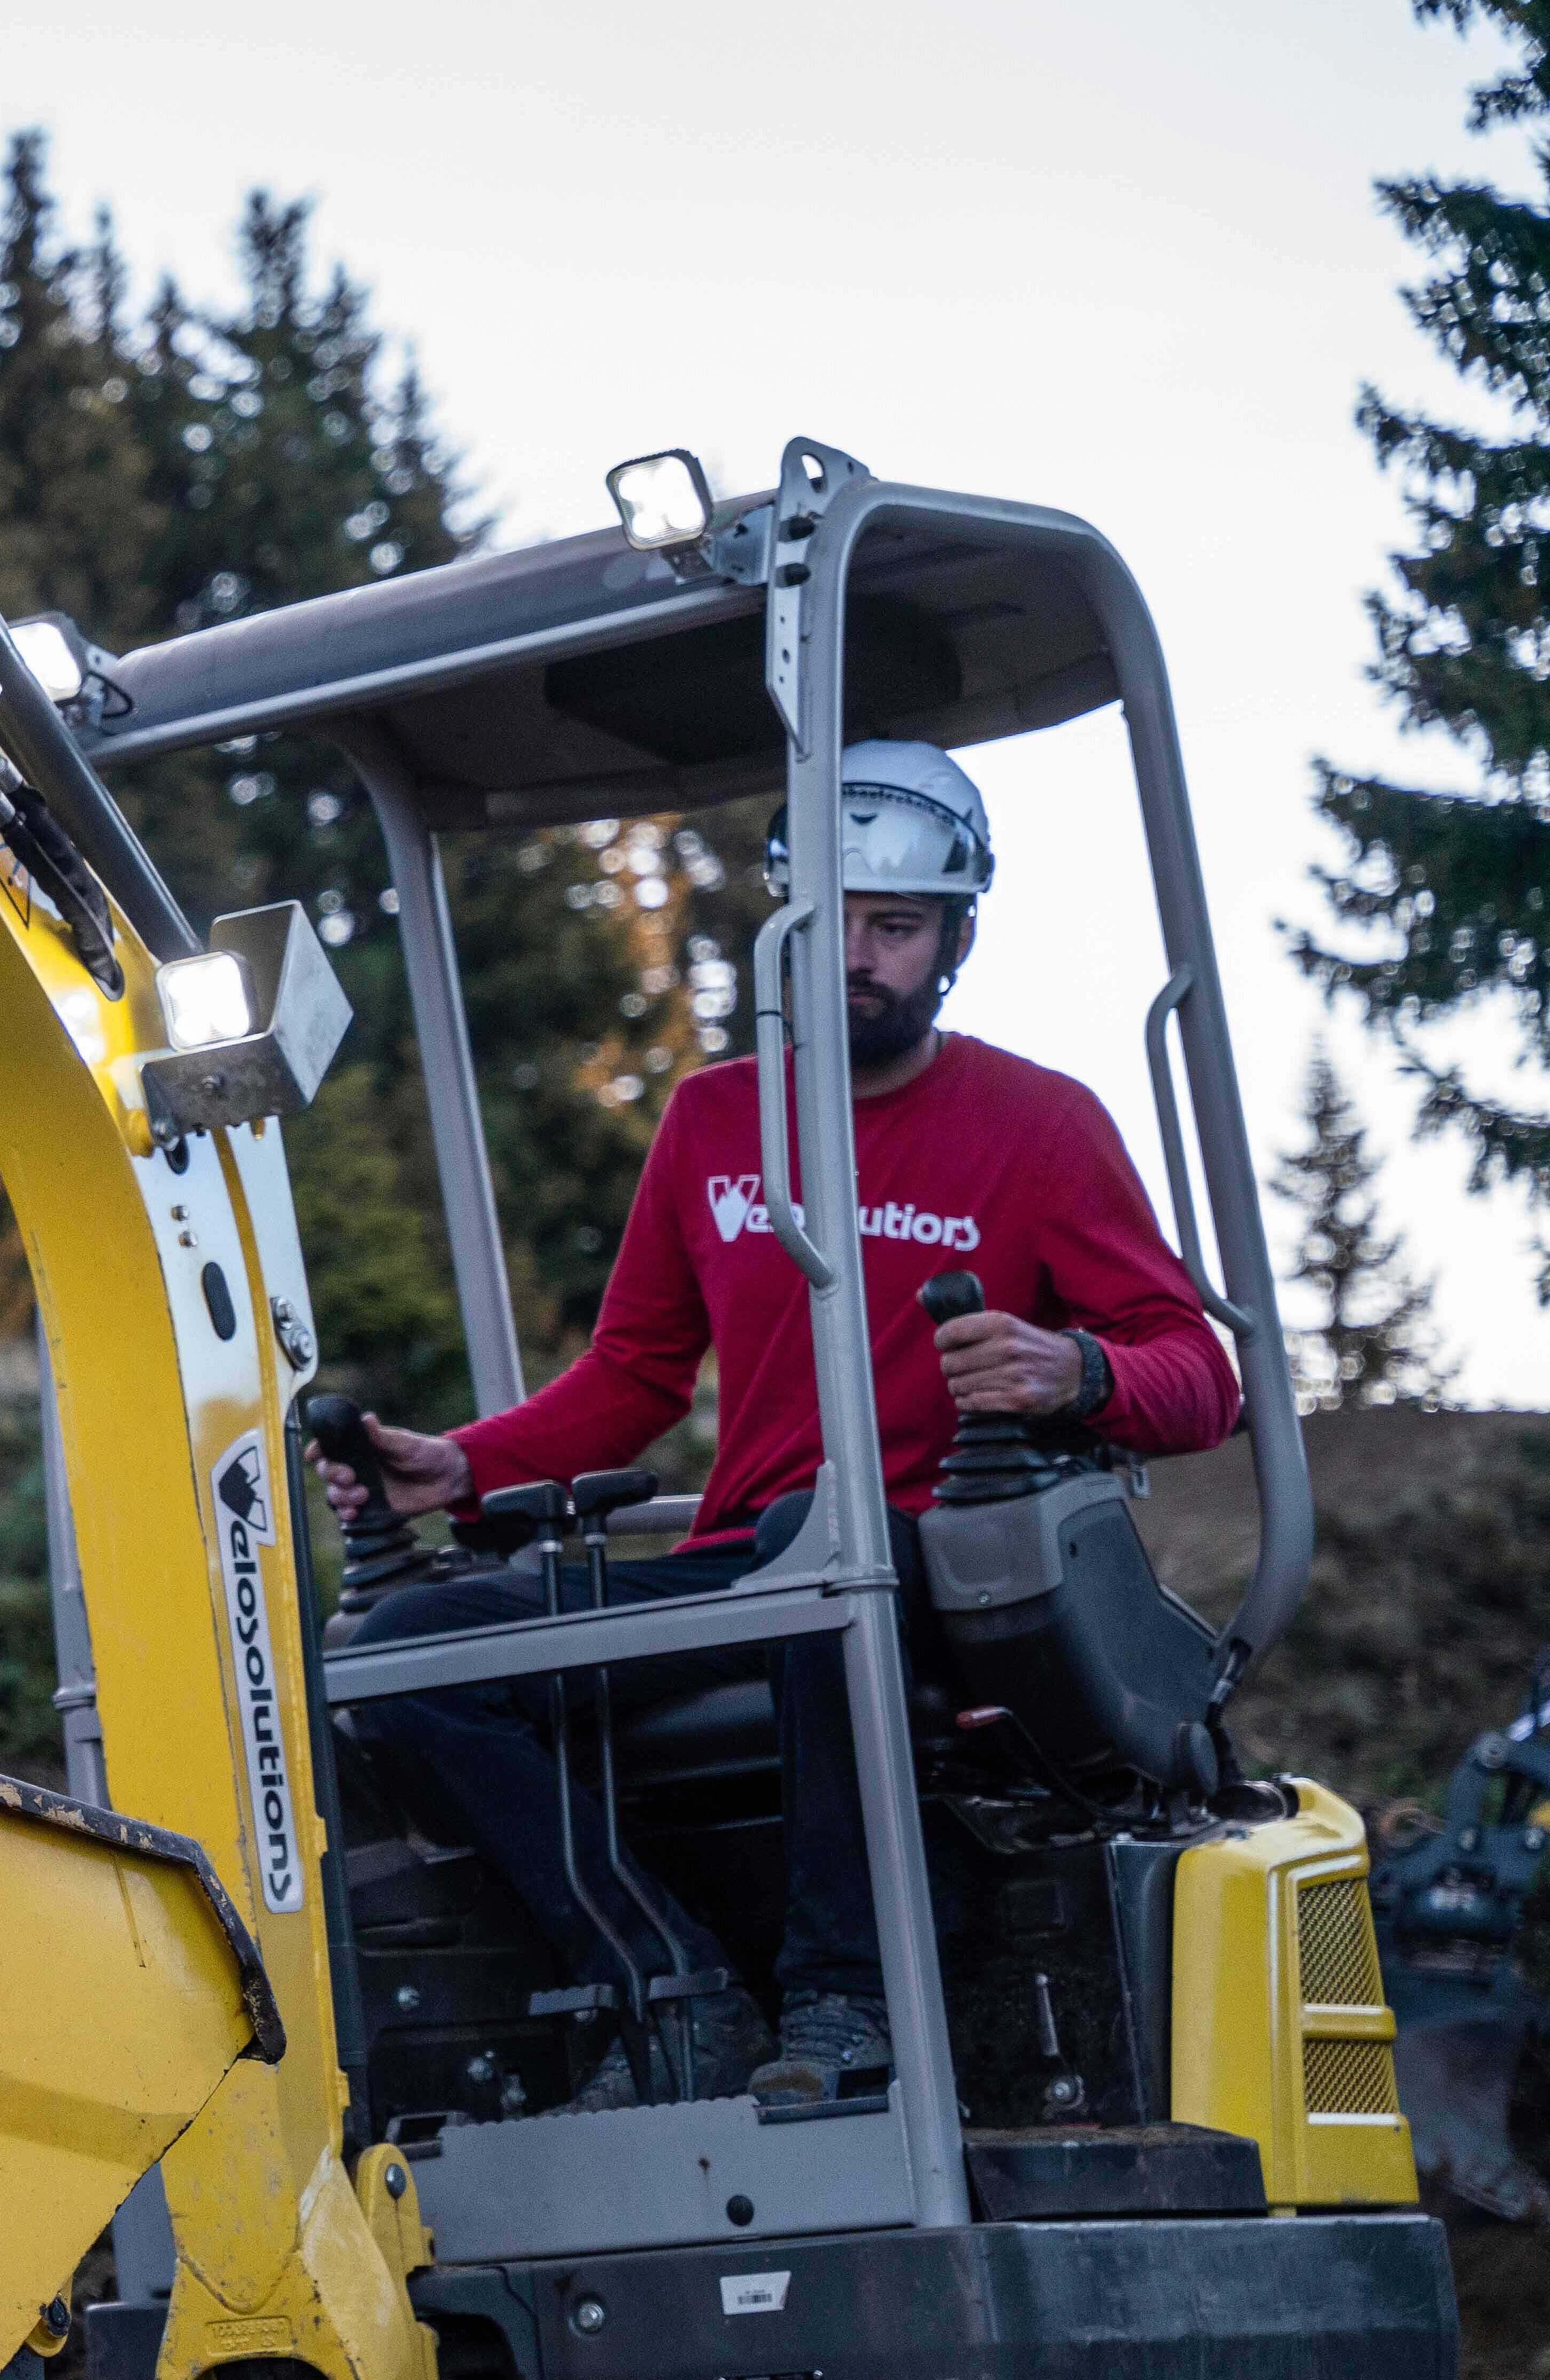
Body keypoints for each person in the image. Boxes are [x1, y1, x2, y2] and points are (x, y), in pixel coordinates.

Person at [319, 740, 1241, 2111]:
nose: (858, 956)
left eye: (897, 926)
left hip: (948, 1576)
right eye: (832, 921)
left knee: (831, 1528)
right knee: (402, 1654)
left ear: (957, 941)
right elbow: (635, 1377)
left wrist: (1076, 1370)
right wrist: (460, 1466)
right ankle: (670, 1987)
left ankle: (849, 1995)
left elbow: (1201, 1375)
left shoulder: (1040, 1126)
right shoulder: (712, 1122)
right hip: (749, 1564)